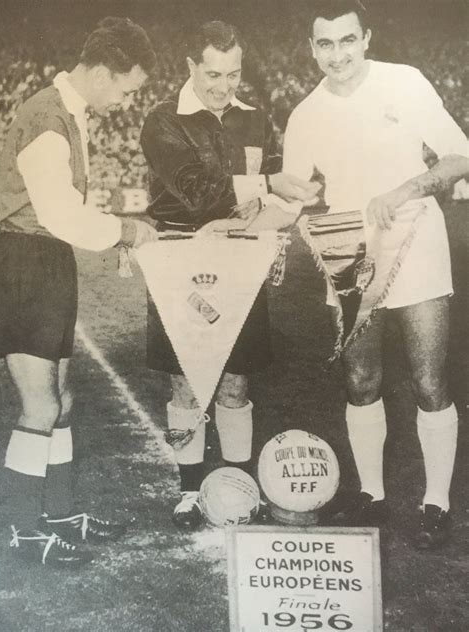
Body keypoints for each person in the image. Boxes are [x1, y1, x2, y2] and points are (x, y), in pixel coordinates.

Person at [283, 0, 468, 548]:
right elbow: (295, 191)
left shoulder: (404, 83)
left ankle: (437, 502)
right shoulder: (304, 114)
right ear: (311, 48)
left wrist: (403, 190)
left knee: (429, 378)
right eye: (324, 44)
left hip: (416, 239)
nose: (336, 55)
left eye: (346, 40)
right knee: (361, 380)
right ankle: (372, 494)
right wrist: (292, 200)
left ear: (366, 38)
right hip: (347, 255)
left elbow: (460, 156)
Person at [140, 20, 319, 529]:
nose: (224, 85)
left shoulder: (254, 119)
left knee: (236, 382)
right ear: (191, 67)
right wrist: (262, 185)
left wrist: (284, 201)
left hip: (241, 258)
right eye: (213, 73)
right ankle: (189, 490)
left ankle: (239, 485)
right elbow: (196, 190)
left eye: (233, 74)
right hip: (179, 260)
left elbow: (281, 193)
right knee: (186, 384)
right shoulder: (162, 120)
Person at [0, 17, 158, 567]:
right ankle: (20, 534)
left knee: (62, 400)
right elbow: (58, 212)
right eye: (126, 88)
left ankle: (60, 514)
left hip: (47, 258)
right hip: (22, 260)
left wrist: (108, 230)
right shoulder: (47, 116)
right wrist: (124, 230)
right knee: (40, 404)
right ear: (99, 72)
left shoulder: (69, 112)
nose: (126, 100)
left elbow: (65, 214)